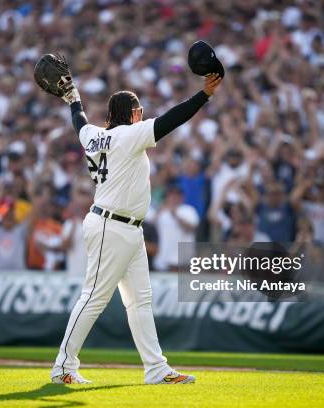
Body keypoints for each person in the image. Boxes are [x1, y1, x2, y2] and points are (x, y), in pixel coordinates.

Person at [48, 64, 222, 384]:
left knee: (140, 300)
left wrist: (74, 100)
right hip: (110, 226)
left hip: (126, 227)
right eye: (138, 110)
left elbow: (80, 122)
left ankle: (155, 368)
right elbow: (172, 119)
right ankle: (62, 366)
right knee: (94, 297)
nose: (142, 115)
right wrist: (204, 95)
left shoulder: (94, 137)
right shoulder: (130, 134)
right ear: (131, 113)